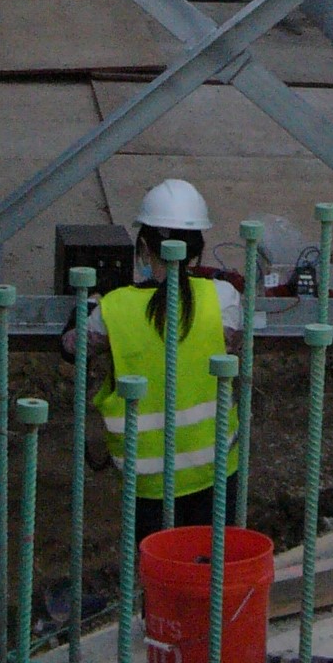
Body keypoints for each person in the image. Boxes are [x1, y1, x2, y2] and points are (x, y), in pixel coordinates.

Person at [87, 180, 243, 542]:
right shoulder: (223, 299)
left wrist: (92, 302)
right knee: (210, 573)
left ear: (143, 247)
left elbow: (73, 345)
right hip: (216, 471)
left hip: (147, 482)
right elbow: (231, 340)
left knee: (159, 577)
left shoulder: (114, 308)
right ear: (197, 250)